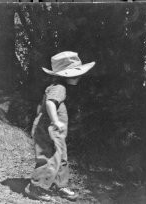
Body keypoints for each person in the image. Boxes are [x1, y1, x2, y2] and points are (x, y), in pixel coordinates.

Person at [25, 51, 95, 202]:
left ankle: (60, 185)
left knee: (61, 157)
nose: (79, 77)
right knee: (49, 158)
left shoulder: (57, 86)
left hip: (54, 132)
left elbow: (42, 106)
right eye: (76, 74)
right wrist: (55, 121)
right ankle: (36, 187)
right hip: (49, 130)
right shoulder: (59, 88)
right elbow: (50, 103)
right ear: (66, 75)